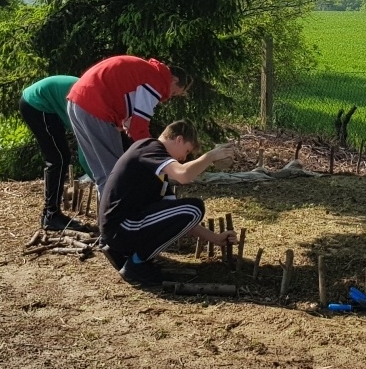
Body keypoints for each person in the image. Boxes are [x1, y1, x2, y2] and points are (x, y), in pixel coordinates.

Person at [97, 120, 237, 286]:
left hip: (123, 229)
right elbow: (184, 175)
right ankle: (136, 264)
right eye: (186, 151)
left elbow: (177, 220)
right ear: (178, 139)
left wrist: (215, 238)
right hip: (120, 227)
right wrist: (211, 156)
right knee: (195, 208)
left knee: (190, 211)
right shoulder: (150, 147)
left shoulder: (158, 173)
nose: (184, 158)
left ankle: (127, 255)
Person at [66, 55, 191, 188]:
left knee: (102, 173)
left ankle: (106, 207)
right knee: (116, 174)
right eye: (174, 93)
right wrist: (155, 153)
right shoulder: (157, 80)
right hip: (96, 107)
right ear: (173, 80)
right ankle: (118, 208)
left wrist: (122, 124)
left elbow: (121, 95)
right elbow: (139, 128)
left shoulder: (145, 71)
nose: (169, 97)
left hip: (77, 101)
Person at [20, 73, 92, 232]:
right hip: (37, 104)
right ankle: (51, 216)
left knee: (60, 156)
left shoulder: (94, 110)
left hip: (46, 103)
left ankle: (50, 214)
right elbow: (84, 155)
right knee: (57, 158)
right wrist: (102, 181)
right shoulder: (89, 113)